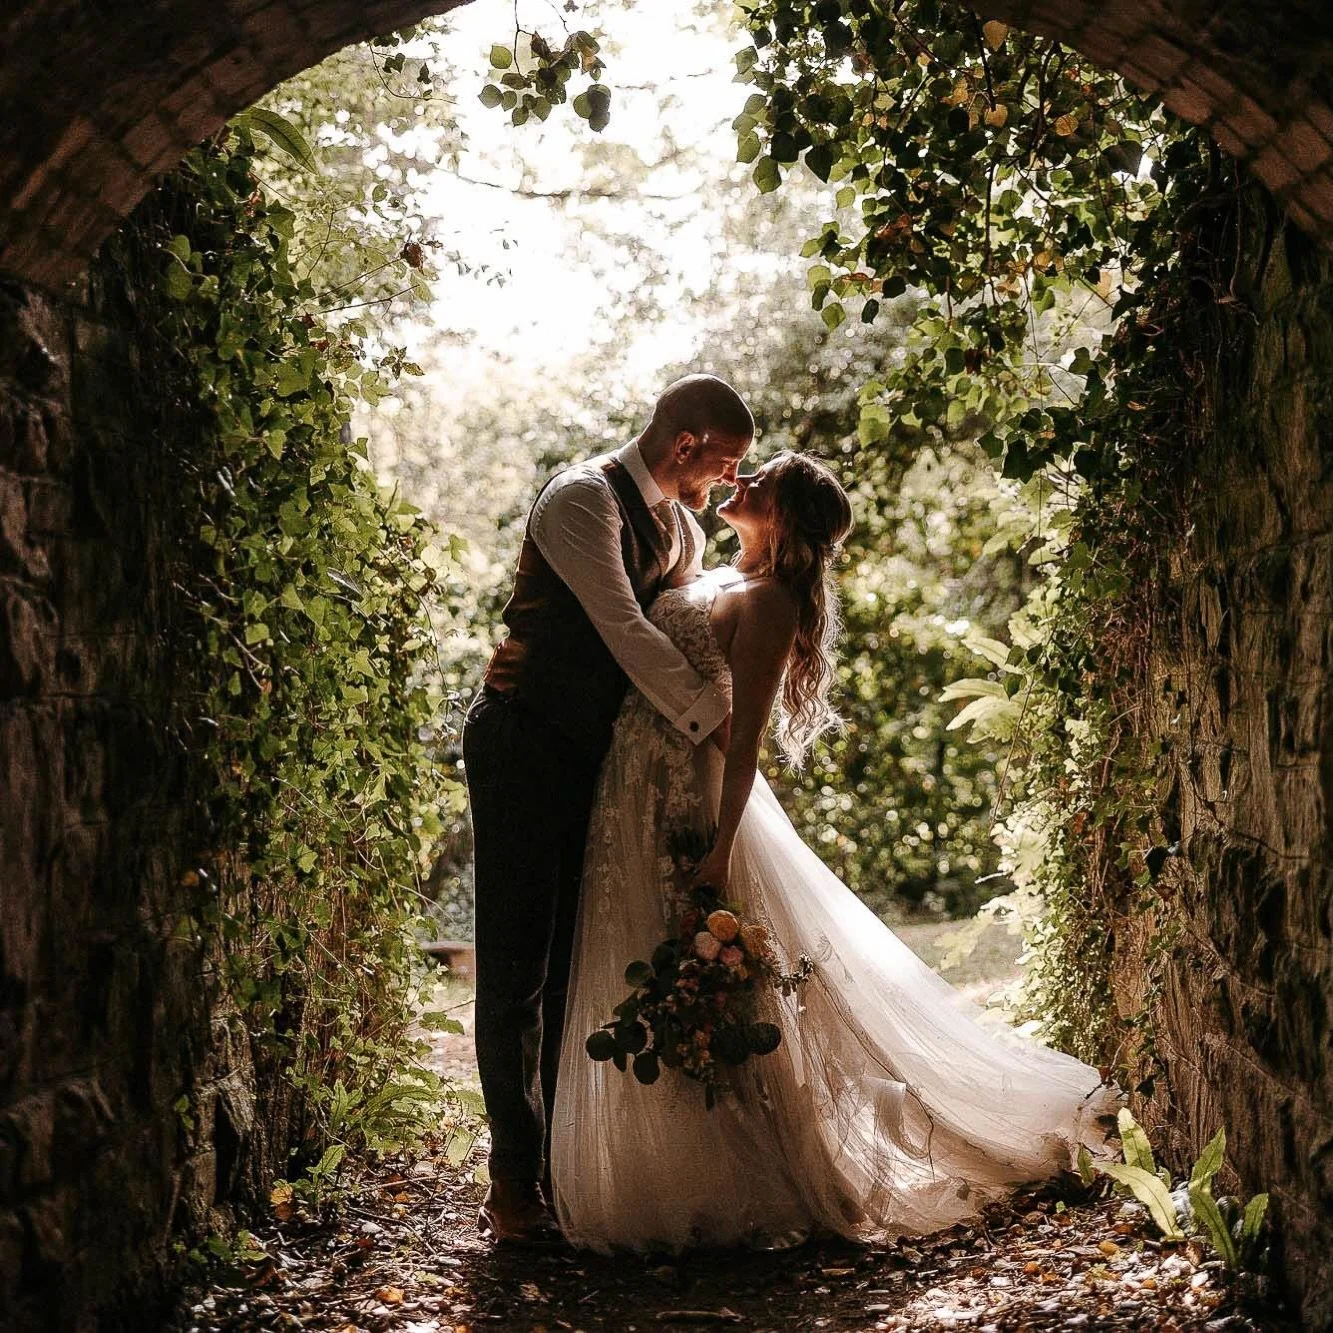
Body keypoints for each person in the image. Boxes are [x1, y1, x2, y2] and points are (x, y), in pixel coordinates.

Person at [551, 451, 1119, 1253]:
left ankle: (743, 1173)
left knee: (708, 980)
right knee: (639, 959)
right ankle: (670, 1167)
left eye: (758, 485)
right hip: (629, 782)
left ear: (779, 518)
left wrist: (718, 849)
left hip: (688, 791)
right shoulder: (711, 569)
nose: (736, 484)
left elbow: (743, 738)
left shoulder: (771, 601)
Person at [463, 374, 754, 1245]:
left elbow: (676, 626)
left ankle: (557, 1167)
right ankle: (512, 1183)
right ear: (684, 445)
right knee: (516, 965)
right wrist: (717, 722)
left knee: (570, 958)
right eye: (724, 462)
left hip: (597, 756)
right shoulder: (580, 499)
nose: (726, 482)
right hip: (522, 739)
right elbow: (626, 629)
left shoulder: (683, 526)